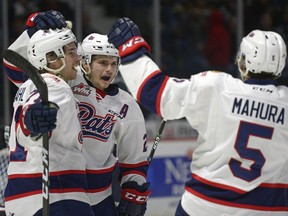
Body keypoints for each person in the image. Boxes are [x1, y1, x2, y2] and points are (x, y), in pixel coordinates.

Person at [107, 17, 288, 215]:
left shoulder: (217, 87)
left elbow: (155, 93)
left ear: (243, 61)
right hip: (270, 210)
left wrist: (129, 47)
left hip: (206, 207)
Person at [3, 11, 151, 216]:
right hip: (61, 189)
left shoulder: (126, 105)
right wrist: (32, 33)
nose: (109, 69)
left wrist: (134, 193)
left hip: (96, 196)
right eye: (102, 62)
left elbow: (134, 160)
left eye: (114, 63)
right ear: (86, 62)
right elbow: (18, 68)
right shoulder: (66, 79)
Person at [3, 12, 94, 216]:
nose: (77, 58)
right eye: (71, 52)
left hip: (19, 198)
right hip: (58, 192)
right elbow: (36, 109)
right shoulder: (55, 85)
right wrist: (34, 119)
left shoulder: (26, 86)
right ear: (52, 59)